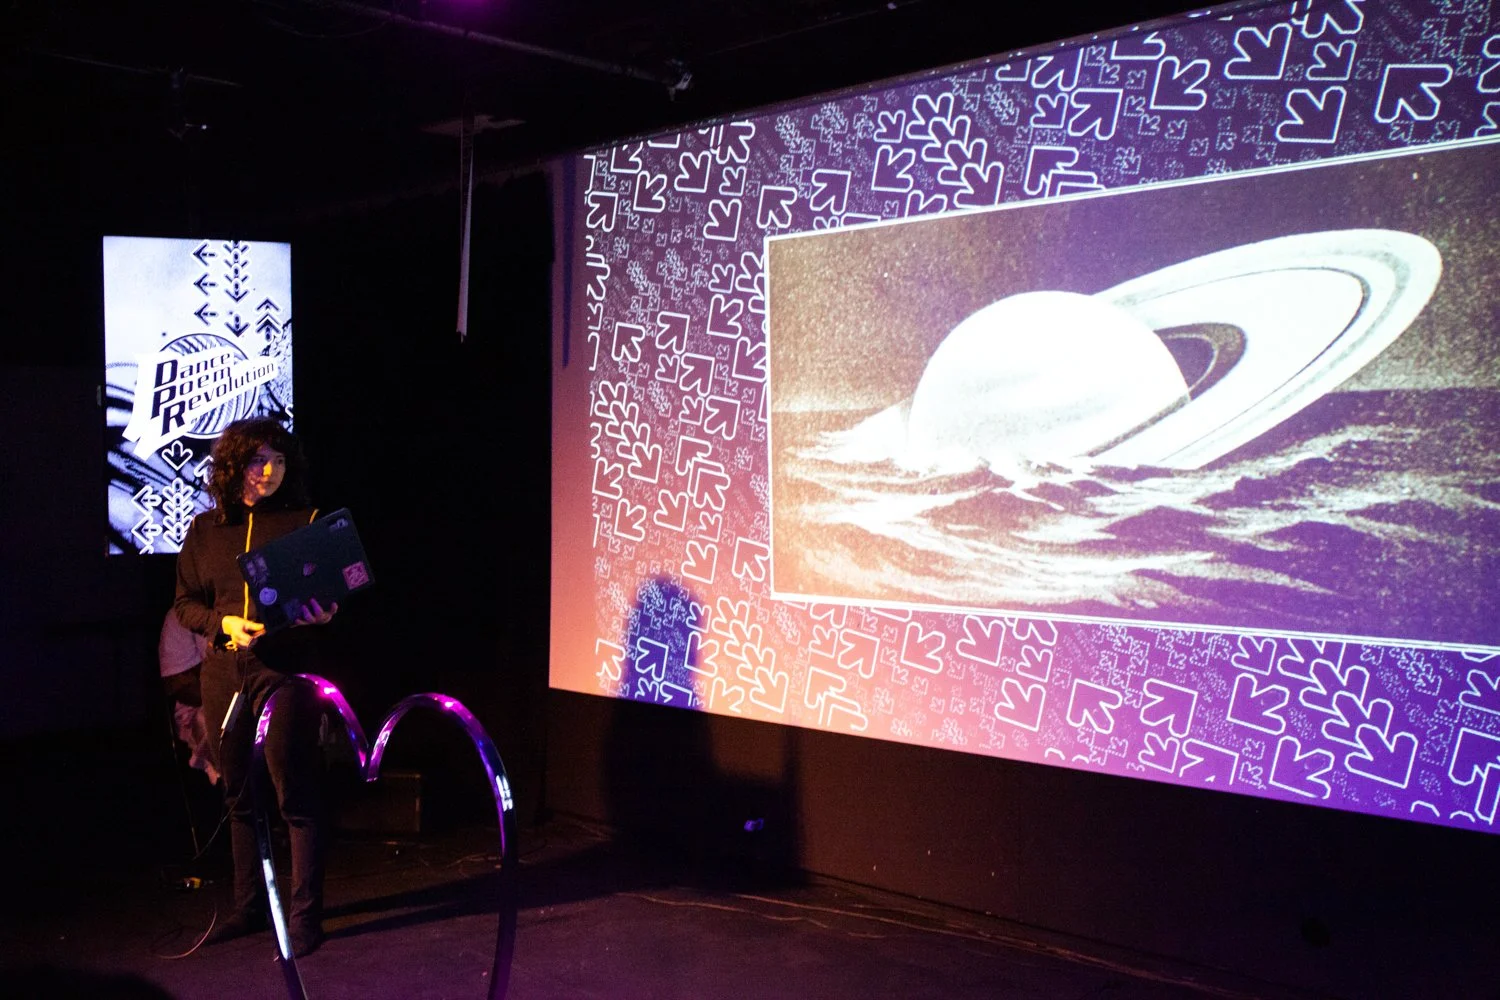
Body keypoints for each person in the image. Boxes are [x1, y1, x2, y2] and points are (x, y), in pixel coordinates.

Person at [174, 417, 338, 957]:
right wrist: (221, 624)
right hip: (226, 670)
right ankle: (249, 907)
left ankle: (305, 917)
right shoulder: (205, 530)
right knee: (238, 794)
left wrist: (323, 614)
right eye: (258, 461)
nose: (269, 472)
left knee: (294, 791)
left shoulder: (304, 522)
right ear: (233, 466)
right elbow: (185, 604)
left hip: (286, 669)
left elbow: (332, 596)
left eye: (279, 461)